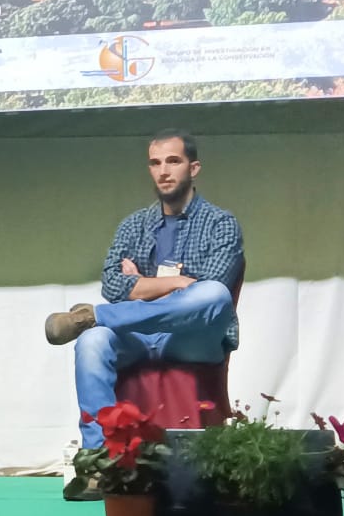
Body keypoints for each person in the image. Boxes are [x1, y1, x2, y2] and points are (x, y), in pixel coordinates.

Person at [45, 133, 244, 456]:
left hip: (191, 338)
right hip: (136, 335)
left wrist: (141, 284)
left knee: (214, 294)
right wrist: (178, 283)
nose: (163, 171)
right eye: (155, 163)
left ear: (193, 168)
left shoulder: (221, 223)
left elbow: (210, 287)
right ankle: (98, 456)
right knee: (91, 341)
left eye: (173, 161)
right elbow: (112, 285)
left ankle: (93, 316)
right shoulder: (133, 225)